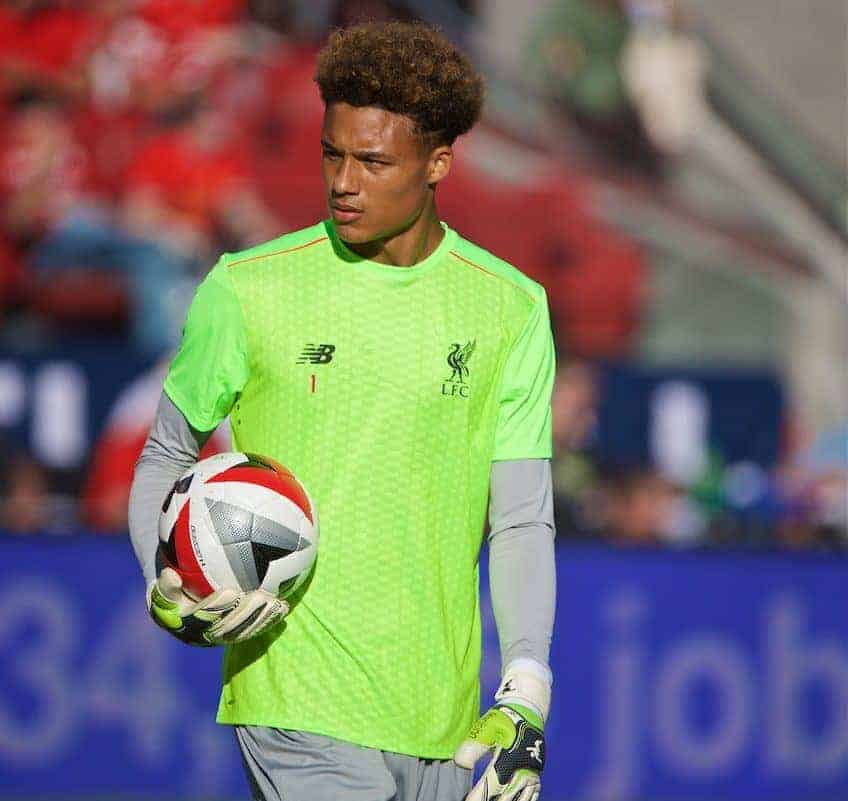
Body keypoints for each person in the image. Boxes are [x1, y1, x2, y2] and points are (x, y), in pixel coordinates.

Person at [128, 21, 556, 801]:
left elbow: (522, 518)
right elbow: (165, 451)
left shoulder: (512, 309)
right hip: (295, 697)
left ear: (437, 163)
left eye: (373, 160)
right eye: (332, 153)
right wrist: (166, 580)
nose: (343, 182)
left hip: (442, 719)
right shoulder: (246, 287)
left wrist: (525, 689)